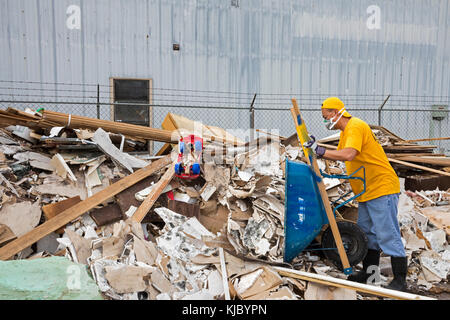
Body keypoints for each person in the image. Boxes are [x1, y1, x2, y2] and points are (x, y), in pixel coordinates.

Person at [304, 97, 407, 292]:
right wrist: (318, 147)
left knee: (387, 234)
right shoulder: (346, 131)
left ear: (336, 113)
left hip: (381, 187)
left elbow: (348, 154)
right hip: (368, 190)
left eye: (326, 117)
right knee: (368, 233)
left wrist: (320, 151)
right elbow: (341, 152)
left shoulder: (355, 126)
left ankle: (400, 280)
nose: (325, 121)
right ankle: (370, 275)